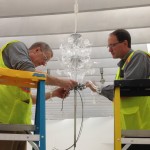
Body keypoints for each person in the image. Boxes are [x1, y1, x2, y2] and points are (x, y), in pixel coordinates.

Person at [0, 40, 77, 150]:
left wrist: (53, 94)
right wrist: (62, 82)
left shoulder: (21, 78)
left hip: (20, 127)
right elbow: (30, 71)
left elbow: (28, 99)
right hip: (4, 124)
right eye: (45, 59)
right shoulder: (17, 46)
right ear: (37, 50)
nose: (44, 64)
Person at [86, 29, 150, 150]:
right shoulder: (124, 65)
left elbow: (127, 89)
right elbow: (119, 94)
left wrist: (98, 89)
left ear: (125, 43)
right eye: (108, 46)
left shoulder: (138, 57)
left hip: (143, 128)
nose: (109, 49)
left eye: (112, 45)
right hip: (130, 131)